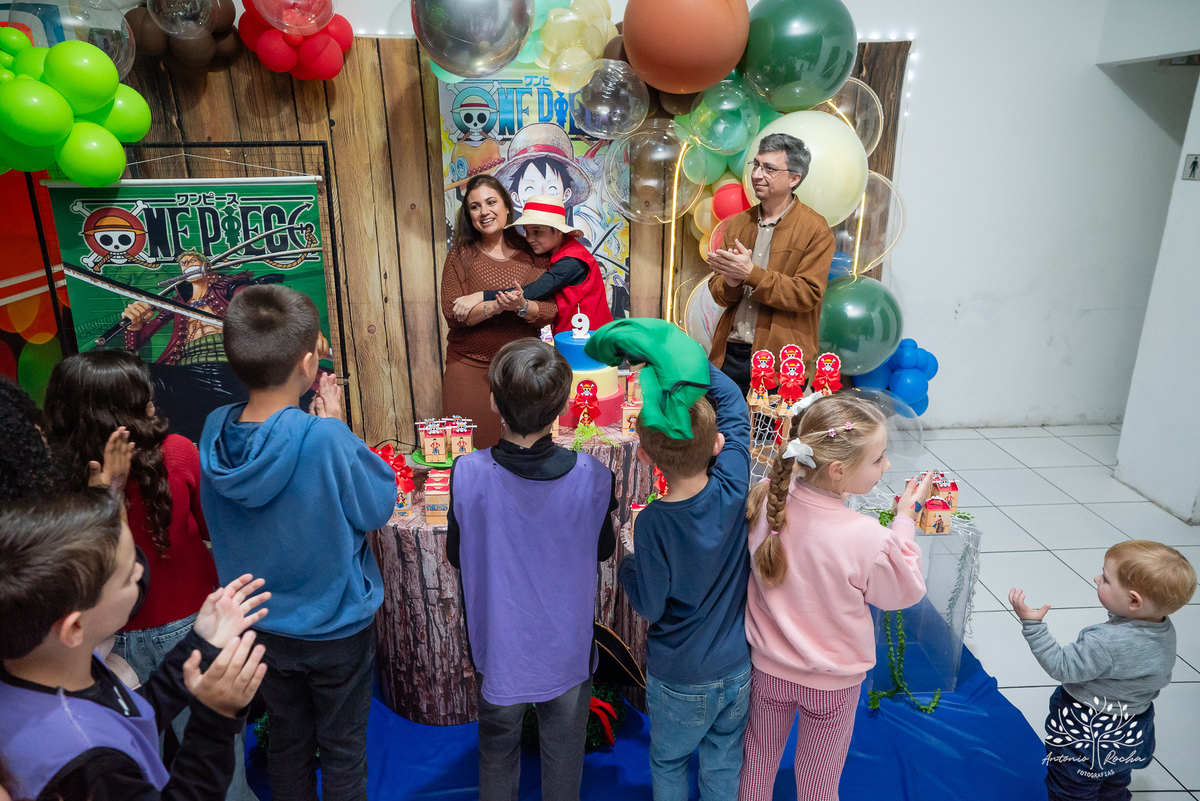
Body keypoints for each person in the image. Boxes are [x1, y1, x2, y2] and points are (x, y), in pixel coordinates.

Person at [198, 285, 397, 801]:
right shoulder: (324, 437)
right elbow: (377, 506)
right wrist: (336, 426)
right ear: (310, 363)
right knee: (343, 748)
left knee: (287, 742)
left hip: (259, 624)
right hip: (335, 627)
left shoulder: (214, 431)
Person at [0, 490, 269, 801]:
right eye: (128, 577)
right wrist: (215, 719)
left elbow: (128, 715)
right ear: (75, 627)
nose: (141, 571)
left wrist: (200, 643)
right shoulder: (90, 762)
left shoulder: (51, 666)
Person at [445, 338, 617, 801]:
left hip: (499, 649)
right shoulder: (596, 478)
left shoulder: (467, 474)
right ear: (563, 403)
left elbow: (457, 557)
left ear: (493, 400)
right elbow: (602, 551)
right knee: (564, 758)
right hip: (567, 650)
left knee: (496, 753)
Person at [739, 394, 931, 801]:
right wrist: (905, 520)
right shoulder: (867, 537)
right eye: (879, 459)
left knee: (756, 760)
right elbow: (904, 590)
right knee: (819, 782)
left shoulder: (763, 499)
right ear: (839, 470)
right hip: (833, 683)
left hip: (768, 670)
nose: (888, 466)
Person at [43, 351, 220, 687]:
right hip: (188, 622)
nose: (152, 394)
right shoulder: (178, 451)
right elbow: (216, 528)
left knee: (135, 738)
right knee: (211, 729)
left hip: (102, 634)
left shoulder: (54, 475)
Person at [618, 362, 753, 801]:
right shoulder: (733, 485)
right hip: (736, 667)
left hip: (679, 677)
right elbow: (735, 407)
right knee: (724, 757)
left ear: (645, 455)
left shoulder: (652, 524)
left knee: (670, 761)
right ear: (717, 444)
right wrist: (696, 363)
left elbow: (651, 606)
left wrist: (628, 562)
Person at [1010, 541, 1196, 801]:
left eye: (1106, 579)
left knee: (1071, 790)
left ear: (1134, 600)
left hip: (1087, 729)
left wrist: (1033, 625)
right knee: (1114, 783)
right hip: (1133, 727)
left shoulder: (1104, 642)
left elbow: (1060, 666)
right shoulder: (1164, 629)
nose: (1097, 578)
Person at [706, 133, 836, 398]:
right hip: (730, 354)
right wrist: (730, 281)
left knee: (772, 438)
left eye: (769, 168)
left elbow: (808, 293)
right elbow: (718, 291)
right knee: (725, 436)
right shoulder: (740, 223)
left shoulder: (815, 228)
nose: (756, 174)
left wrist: (751, 274)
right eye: (755, 165)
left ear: (794, 178)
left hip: (780, 362)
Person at [442, 174, 559, 448]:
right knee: (466, 454)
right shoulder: (459, 256)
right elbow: (453, 312)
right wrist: (496, 305)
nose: (484, 212)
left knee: (521, 456)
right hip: (468, 368)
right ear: (468, 215)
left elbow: (549, 311)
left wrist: (520, 307)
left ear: (507, 206)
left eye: (491, 202)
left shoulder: (533, 254)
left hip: (522, 372)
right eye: (475, 206)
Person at [454, 194, 613, 335]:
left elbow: (536, 290)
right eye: (527, 231)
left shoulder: (572, 260)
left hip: (591, 341)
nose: (529, 238)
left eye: (537, 232)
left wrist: (480, 296)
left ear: (557, 231)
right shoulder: (555, 253)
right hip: (571, 338)